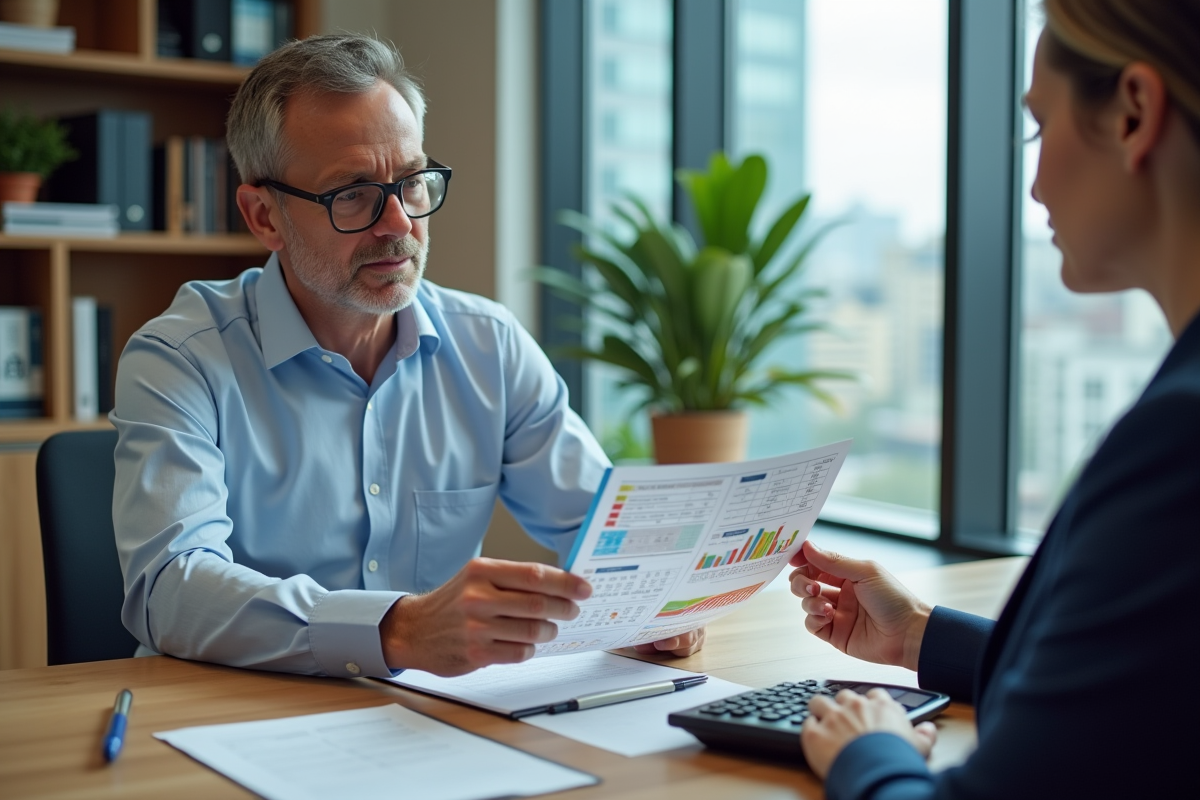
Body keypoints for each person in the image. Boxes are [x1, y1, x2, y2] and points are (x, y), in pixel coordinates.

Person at [112, 34, 704, 680]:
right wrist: (394, 630)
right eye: (353, 195)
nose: (398, 224)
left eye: (413, 183)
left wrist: (659, 599)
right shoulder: (179, 359)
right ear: (264, 217)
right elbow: (170, 589)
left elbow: (602, 529)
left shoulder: (489, 347)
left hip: (432, 722)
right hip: (229, 722)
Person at [787, 1, 1200, 796]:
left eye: (1039, 129)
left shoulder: (1179, 438)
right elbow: (1149, 681)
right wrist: (919, 637)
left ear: (1134, 115)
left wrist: (866, 755)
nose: (1034, 178)